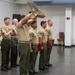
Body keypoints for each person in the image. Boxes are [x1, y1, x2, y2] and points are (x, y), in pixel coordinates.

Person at [16, 9, 37, 75]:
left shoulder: (26, 26)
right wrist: (31, 13)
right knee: (23, 60)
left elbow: (32, 19)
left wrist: (36, 14)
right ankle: (22, 73)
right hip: (22, 44)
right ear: (22, 19)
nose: (27, 21)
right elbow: (25, 19)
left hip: (27, 44)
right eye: (26, 19)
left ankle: (26, 72)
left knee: (27, 60)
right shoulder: (19, 25)